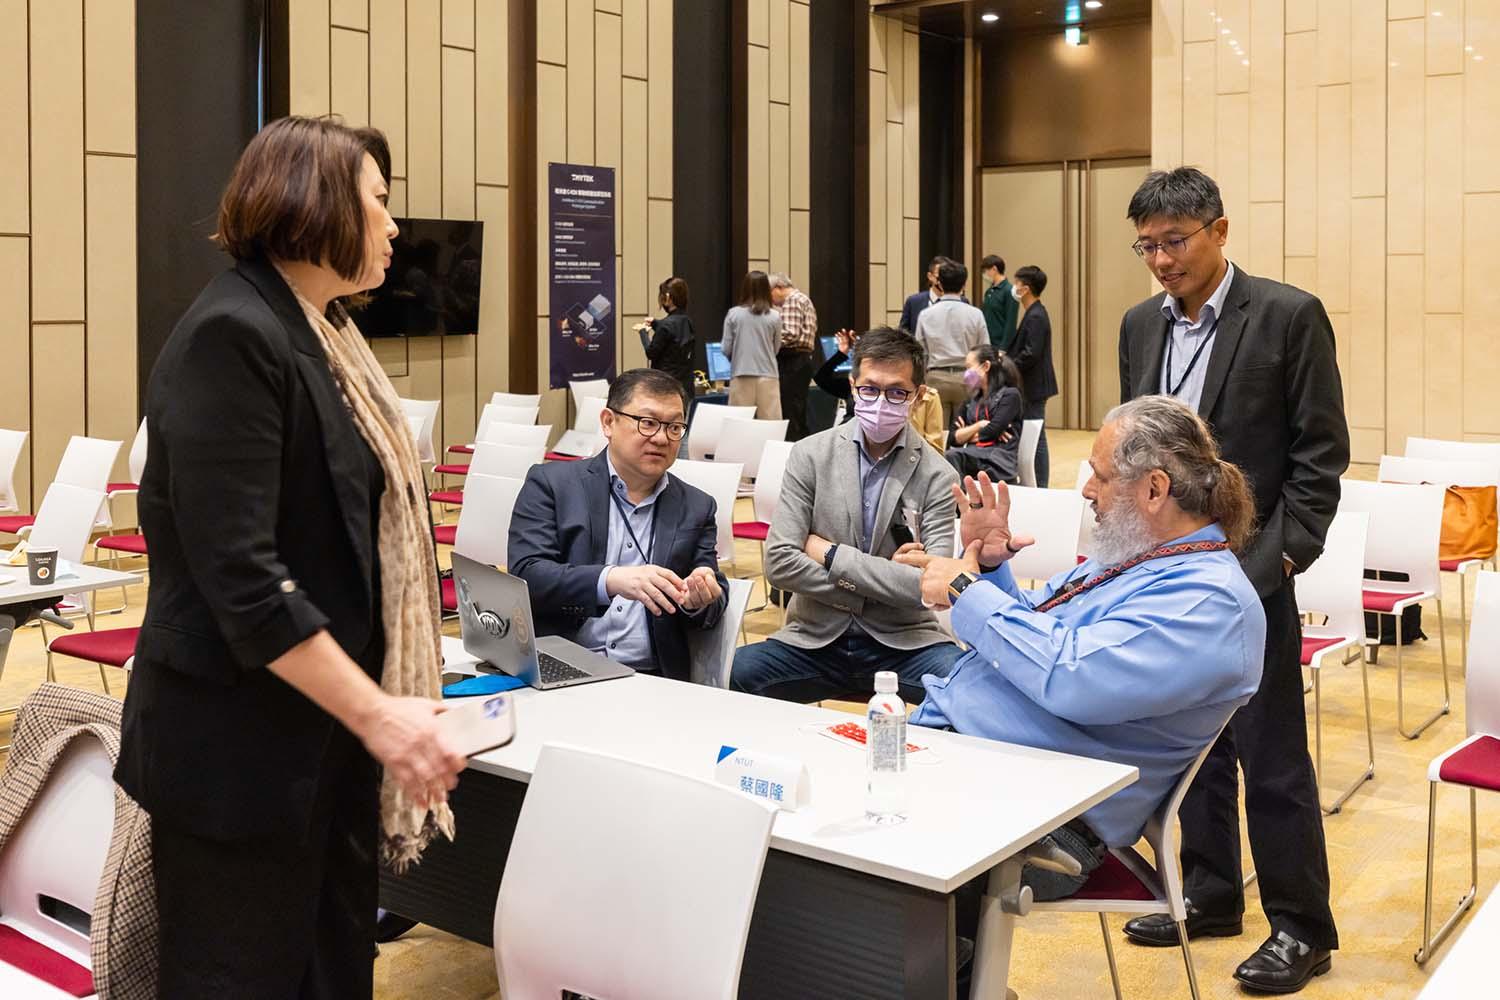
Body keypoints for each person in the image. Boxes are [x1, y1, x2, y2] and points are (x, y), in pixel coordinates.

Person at [114, 116, 467, 997]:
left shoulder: (324, 335)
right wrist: (381, 714)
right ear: (317, 207)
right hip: (242, 758)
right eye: (379, 202)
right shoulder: (234, 335)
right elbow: (243, 577)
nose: (395, 226)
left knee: (332, 972)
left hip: (318, 744)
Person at [1117, 167, 1348, 994]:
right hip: (1165, 573)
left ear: (1218, 230)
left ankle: (1302, 928)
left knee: (1271, 755)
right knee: (1191, 747)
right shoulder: (1139, 325)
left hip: (1253, 579)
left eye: (1174, 242)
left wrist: (1272, 566)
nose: (1161, 261)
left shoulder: (1287, 315)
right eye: (1147, 247)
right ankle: (1210, 893)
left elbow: (1320, 461)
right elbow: (1133, 453)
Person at [903, 396, 1265, 904]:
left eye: (1100, 476)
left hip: (1044, 821)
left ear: (1154, 489)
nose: (1087, 490)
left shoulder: (1211, 604)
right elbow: (1033, 636)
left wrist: (966, 591)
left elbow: (1070, 677)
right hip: (987, 767)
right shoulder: (1139, 558)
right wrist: (989, 570)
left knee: (845, 850)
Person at [730, 328, 963, 706]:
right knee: (732, 673)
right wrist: (884, 579)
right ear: (853, 386)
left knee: (970, 688)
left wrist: (830, 554)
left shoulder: (938, 475)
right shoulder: (809, 456)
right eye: (869, 389)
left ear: (918, 397)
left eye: (897, 392)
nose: (880, 402)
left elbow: (928, 586)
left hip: (905, 642)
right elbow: (779, 564)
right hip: (814, 638)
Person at [507, 368, 729, 679]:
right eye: (647, 423)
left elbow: (710, 598)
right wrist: (611, 579)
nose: (661, 438)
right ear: (608, 422)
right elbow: (527, 574)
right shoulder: (552, 484)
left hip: (651, 677)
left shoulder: (696, 506)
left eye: (674, 427)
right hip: (562, 665)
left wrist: (698, 600)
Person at [915, 258, 988, 430]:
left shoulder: (926, 314)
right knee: (964, 433)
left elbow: (919, 351)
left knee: (937, 434)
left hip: (936, 378)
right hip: (968, 378)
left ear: (939, 283)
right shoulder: (976, 314)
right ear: (964, 285)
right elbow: (984, 349)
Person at [945, 345, 1024, 484]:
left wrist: (966, 434)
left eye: (969, 367)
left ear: (986, 366)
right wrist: (979, 425)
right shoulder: (971, 400)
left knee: (952, 456)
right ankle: (961, 496)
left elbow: (992, 431)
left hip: (999, 460)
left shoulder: (1010, 395)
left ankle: (960, 498)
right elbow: (952, 438)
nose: (966, 372)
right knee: (949, 456)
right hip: (974, 456)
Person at [1012, 264, 1058, 486]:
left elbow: (1031, 353)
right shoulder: (1033, 313)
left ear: (1026, 288)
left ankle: (1040, 484)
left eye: (1017, 283)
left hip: (1034, 385)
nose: (1014, 287)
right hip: (1031, 385)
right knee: (1035, 434)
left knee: (1036, 436)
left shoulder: (1036, 315)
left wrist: (1008, 365)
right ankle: (1037, 482)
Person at [721, 269, 782, 419]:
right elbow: (776, 348)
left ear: (745, 288)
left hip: (741, 374)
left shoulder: (733, 314)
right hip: (768, 375)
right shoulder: (775, 316)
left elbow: (726, 348)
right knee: (771, 425)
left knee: (739, 424)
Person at [769, 272, 818, 441]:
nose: (770, 300)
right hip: (801, 361)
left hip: (792, 361)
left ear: (779, 287)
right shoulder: (803, 298)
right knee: (798, 410)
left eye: (769, 293)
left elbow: (790, 333)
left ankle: (792, 448)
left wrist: (767, 342)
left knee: (790, 412)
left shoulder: (792, 300)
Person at [643, 276, 696, 404]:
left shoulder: (665, 325)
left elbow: (651, 353)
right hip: (685, 387)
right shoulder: (687, 322)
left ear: (667, 298)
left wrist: (642, 332)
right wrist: (655, 323)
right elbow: (673, 336)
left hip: (665, 387)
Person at [898, 255, 947, 333]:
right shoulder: (913, 302)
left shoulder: (961, 302)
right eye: (940, 276)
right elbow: (902, 334)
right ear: (930, 276)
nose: (944, 280)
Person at [980, 254, 1019, 352]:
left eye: (985, 271)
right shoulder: (989, 291)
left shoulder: (1009, 290)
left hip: (1000, 345)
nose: (984, 275)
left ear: (994, 269)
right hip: (988, 343)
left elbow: (1011, 322)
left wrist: (1003, 348)